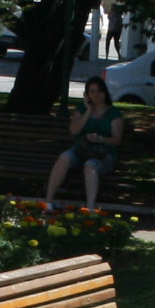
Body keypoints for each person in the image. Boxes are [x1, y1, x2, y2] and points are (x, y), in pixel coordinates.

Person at [45, 75, 125, 211]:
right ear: (87, 95)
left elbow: (116, 140)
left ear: (105, 92)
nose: (96, 95)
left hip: (102, 154)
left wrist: (100, 139)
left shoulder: (114, 113)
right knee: (64, 157)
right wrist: (88, 111)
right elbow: (74, 131)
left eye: (99, 91)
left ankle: (90, 207)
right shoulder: (82, 109)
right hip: (81, 150)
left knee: (90, 165)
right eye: (92, 91)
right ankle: (47, 201)